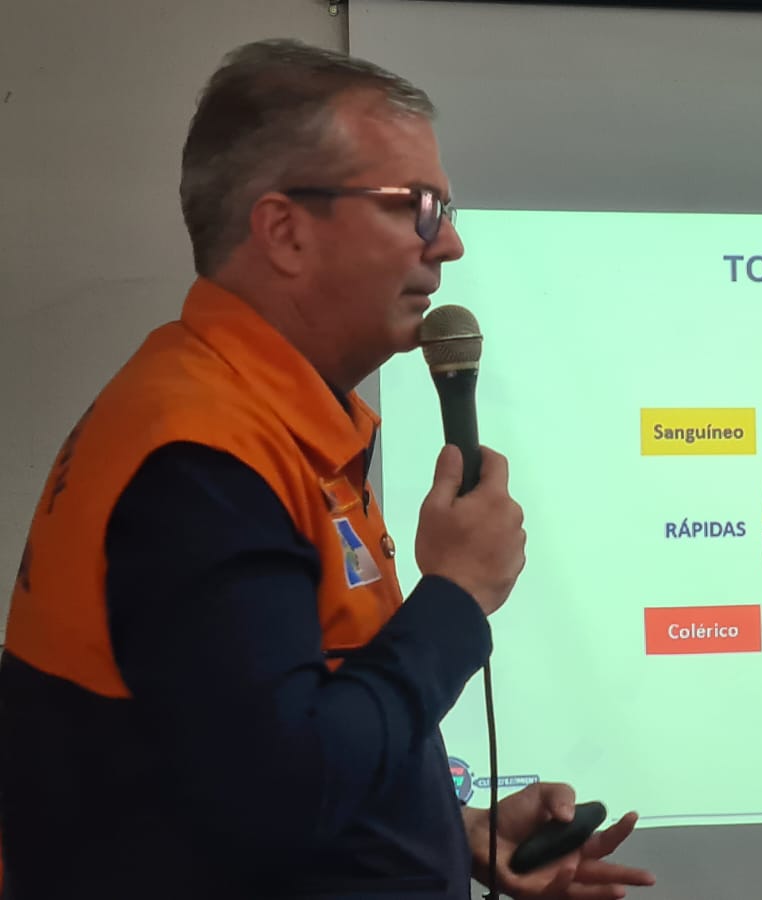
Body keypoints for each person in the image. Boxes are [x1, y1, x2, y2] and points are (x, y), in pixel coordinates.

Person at [0, 38, 654, 900]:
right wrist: (456, 596)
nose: (451, 243)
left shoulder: (263, 419)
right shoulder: (201, 460)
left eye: (447, 208)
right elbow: (280, 793)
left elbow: (255, 742)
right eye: (419, 207)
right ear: (286, 231)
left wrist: (451, 827)